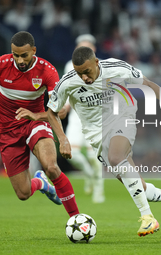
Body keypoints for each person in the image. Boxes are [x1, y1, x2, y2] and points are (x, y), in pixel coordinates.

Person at [47, 47, 161, 236]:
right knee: (137, 186)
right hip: (95, 134)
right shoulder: (68, 82)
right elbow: (51, 112)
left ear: (96, 63)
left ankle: (148, 218)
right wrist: (62, 139)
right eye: (80, 74)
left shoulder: (117, 69)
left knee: (116, 158)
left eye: (87, 72)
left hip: (122, 116)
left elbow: (150, 85)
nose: (84, 77)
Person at [0, 31, 80, 218]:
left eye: (24, 55)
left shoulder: (47, 71)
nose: (20, 60)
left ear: (34, 51)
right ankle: (41, 183)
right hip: (6, 130)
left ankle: (77, 218)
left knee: (51, 166)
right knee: (23, 193)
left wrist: (40, 119)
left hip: (33, 124)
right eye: (16, 55)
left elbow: (59, 111)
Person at [63, 34, 104, 203]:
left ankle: (99, 191)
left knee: (95, 156)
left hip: (96, 116)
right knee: (71, 153)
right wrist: (64, 105)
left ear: (93, 50)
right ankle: (89, 175)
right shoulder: (69, 66)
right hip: (76, 115)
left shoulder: (101, 65)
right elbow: (66, 87)